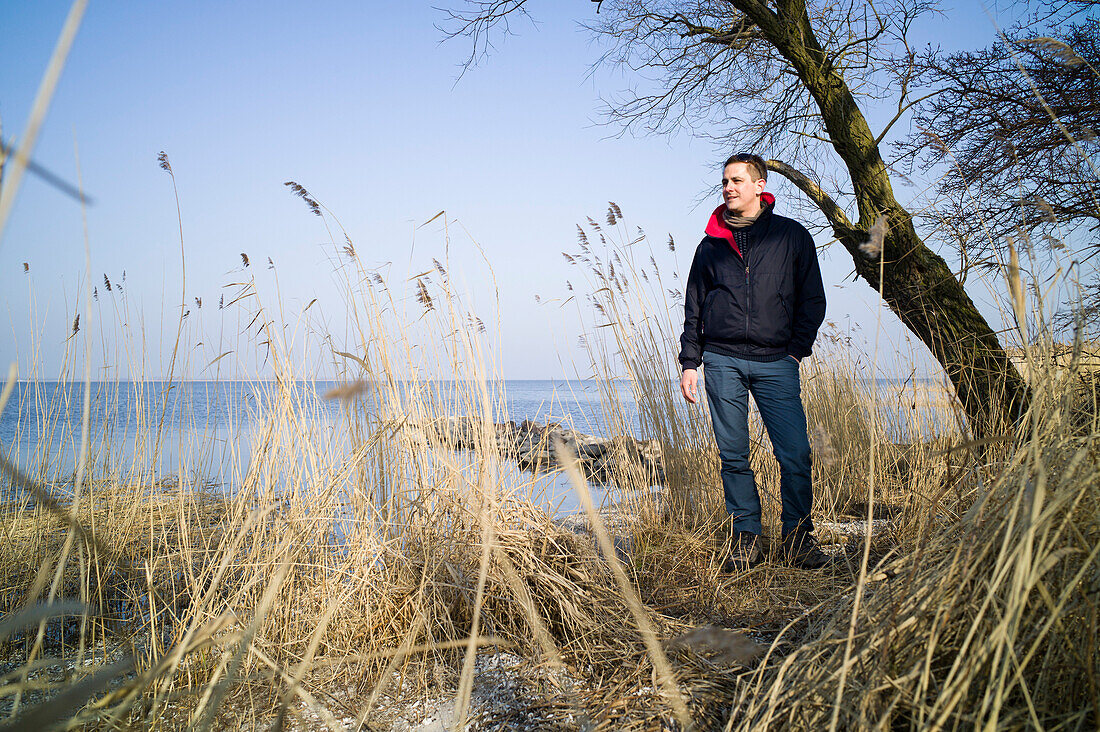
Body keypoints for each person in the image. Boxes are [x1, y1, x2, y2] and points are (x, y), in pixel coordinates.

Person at [678, 153, 830, 571]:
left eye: (737, 180)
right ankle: (747, 540)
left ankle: (798, 539)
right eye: (725, 181)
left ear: (760, 185)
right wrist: (690, 361)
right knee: (734, 455)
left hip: (776, 360)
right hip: (722, 359)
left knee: (796, 453)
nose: (728, 187)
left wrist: (796, 349)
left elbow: (812, 299)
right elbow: (694, 307)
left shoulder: (791, 237)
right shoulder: (709, 246)